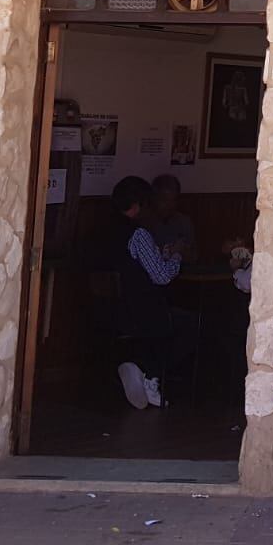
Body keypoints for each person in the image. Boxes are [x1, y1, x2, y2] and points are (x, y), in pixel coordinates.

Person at [110, 176, 192, 411]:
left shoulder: (104, 231)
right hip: (141, 313)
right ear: (137, 206)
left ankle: (138, 366)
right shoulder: (138, 235)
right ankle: (149, 373)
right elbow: (161, 276)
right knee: (191, 325)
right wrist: (176, 254)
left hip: (112, 311)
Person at [149, 173, 197, 263]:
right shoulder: (146, 223)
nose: (169, 205)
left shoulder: (184, 222)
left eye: (173, 200)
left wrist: (183, 251)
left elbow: (193, 258)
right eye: (164, 200)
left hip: (180, 273)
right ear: (154, 199)